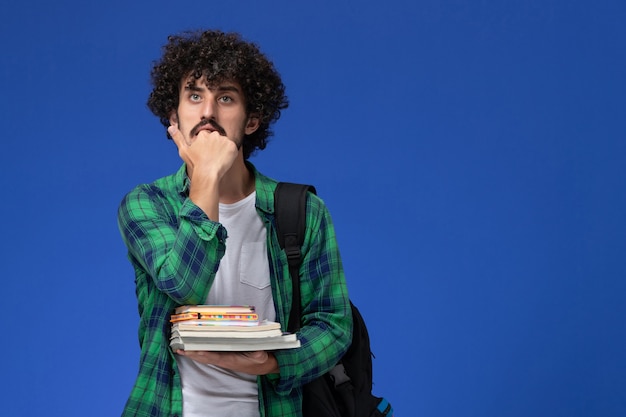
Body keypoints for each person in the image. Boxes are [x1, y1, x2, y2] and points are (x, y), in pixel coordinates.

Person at [117, 29, 352, 417]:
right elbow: (185, 284)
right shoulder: (147, 204)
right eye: (194, 95)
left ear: (252, 121)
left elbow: (333, 324)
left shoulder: (303, 211)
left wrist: (273, 364)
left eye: (225, 97)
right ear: (174, 116)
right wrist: (206, 176)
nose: (207, 112)